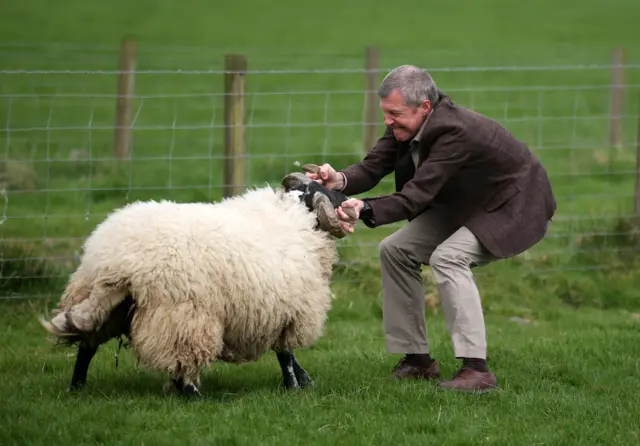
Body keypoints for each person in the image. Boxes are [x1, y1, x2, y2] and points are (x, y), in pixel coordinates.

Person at [306, 65, 556, 392]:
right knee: (395, 250)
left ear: (424, 107)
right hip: (466, 200)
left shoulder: (454, 131)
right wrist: (338, 179)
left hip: (512, 204)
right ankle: (417, 362)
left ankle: (477, 371)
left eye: (394, 113)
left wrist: (365, 208)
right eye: (385, 112)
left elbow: (415, 197)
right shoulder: (405, 125)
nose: (387, 121)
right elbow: (372, 167)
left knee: (449, 258)